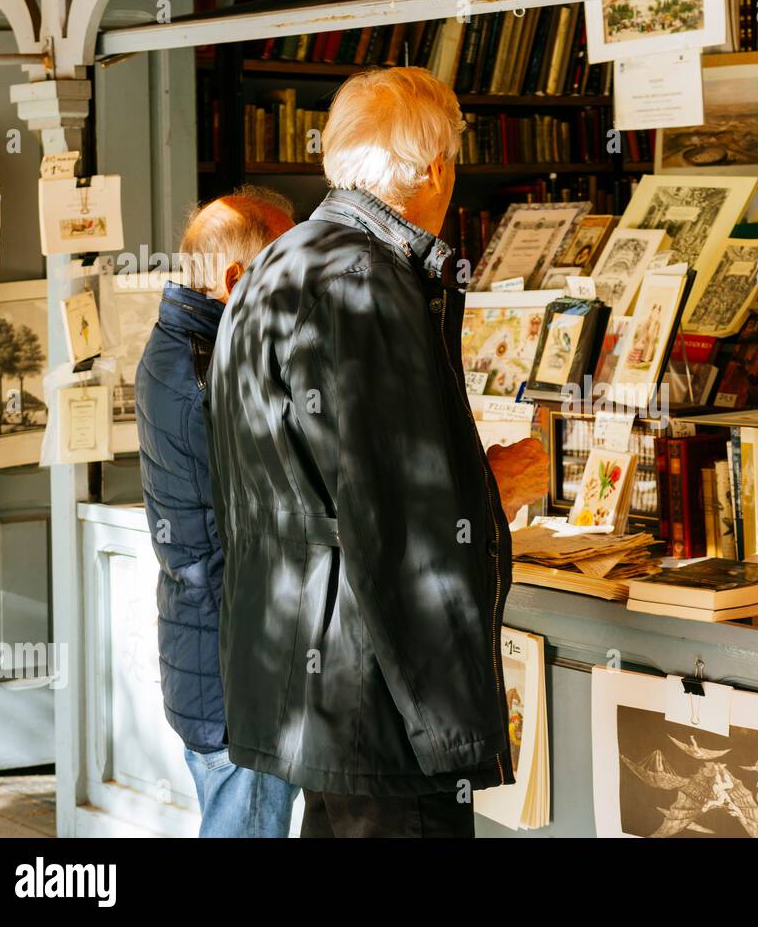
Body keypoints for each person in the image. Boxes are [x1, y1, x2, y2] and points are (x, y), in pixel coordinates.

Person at [205, 67, 549, 838]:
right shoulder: (367, 284)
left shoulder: (276, 265)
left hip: (312, 690)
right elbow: (398, 523)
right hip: (379, 705)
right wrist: (492, 488)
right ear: (434, 169)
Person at [135, 186, 298, 837]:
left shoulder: (188, 346)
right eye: (286, 270)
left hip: (213, 664)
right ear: (234, 280)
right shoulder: (211, 370)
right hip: (240, 682)